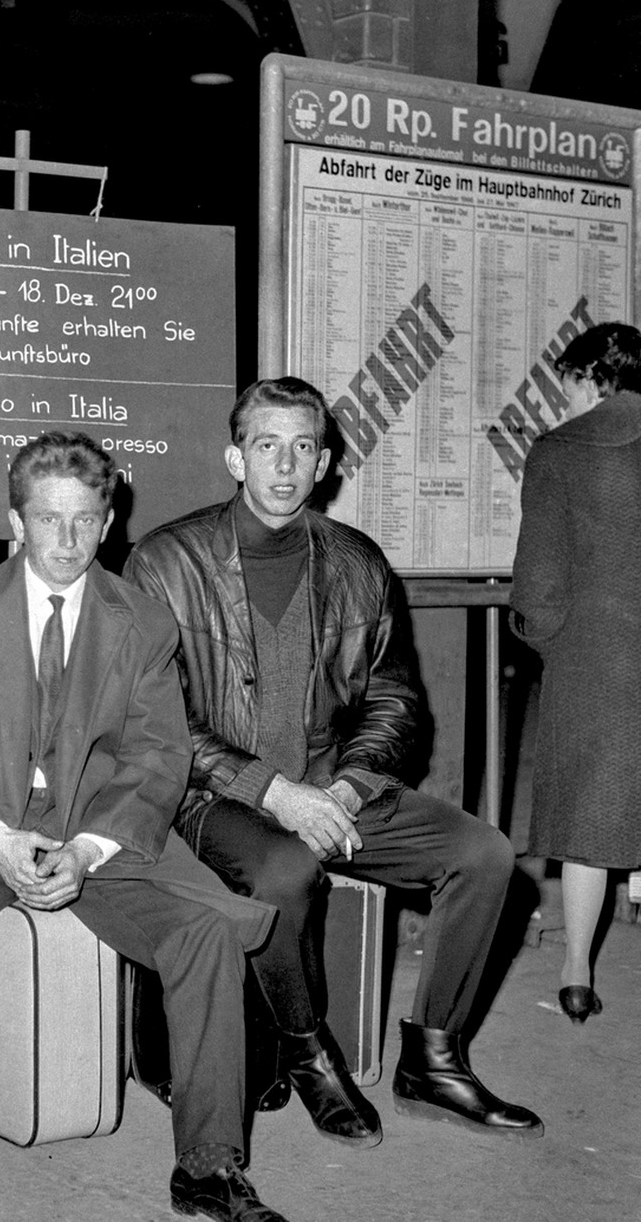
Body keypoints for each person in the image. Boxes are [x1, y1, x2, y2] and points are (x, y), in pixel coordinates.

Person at [0, 431, 287, 1222]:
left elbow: (158, 755)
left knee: (203, 930)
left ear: (110, 517)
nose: (65, 541)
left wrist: (88, 851)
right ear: (15, 522)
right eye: (46, 520)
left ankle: (208, 1163)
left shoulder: (143, 621)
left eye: (84, 519)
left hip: (97, 829)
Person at [128, 377, 543, 1145]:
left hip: (332, 784)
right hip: (209, 794)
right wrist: (273, 792)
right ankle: (309, 1050)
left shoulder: (356, 561)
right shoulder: (165, 561)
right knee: (286, 871)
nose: (284, 466)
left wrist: (349, 787)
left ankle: (434, 1057)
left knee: (484, 855)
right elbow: (153, 720)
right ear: (234, 456)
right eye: (266, 446)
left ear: (324, 463)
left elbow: (395, 701)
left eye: (302, 447)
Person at [511, 322, 641, 1025]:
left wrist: (538, 633)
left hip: (595, 657)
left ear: (591, 378)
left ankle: (576, 972)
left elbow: (538, 581)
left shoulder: (559, 451)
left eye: (567, 384)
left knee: (591, 818)